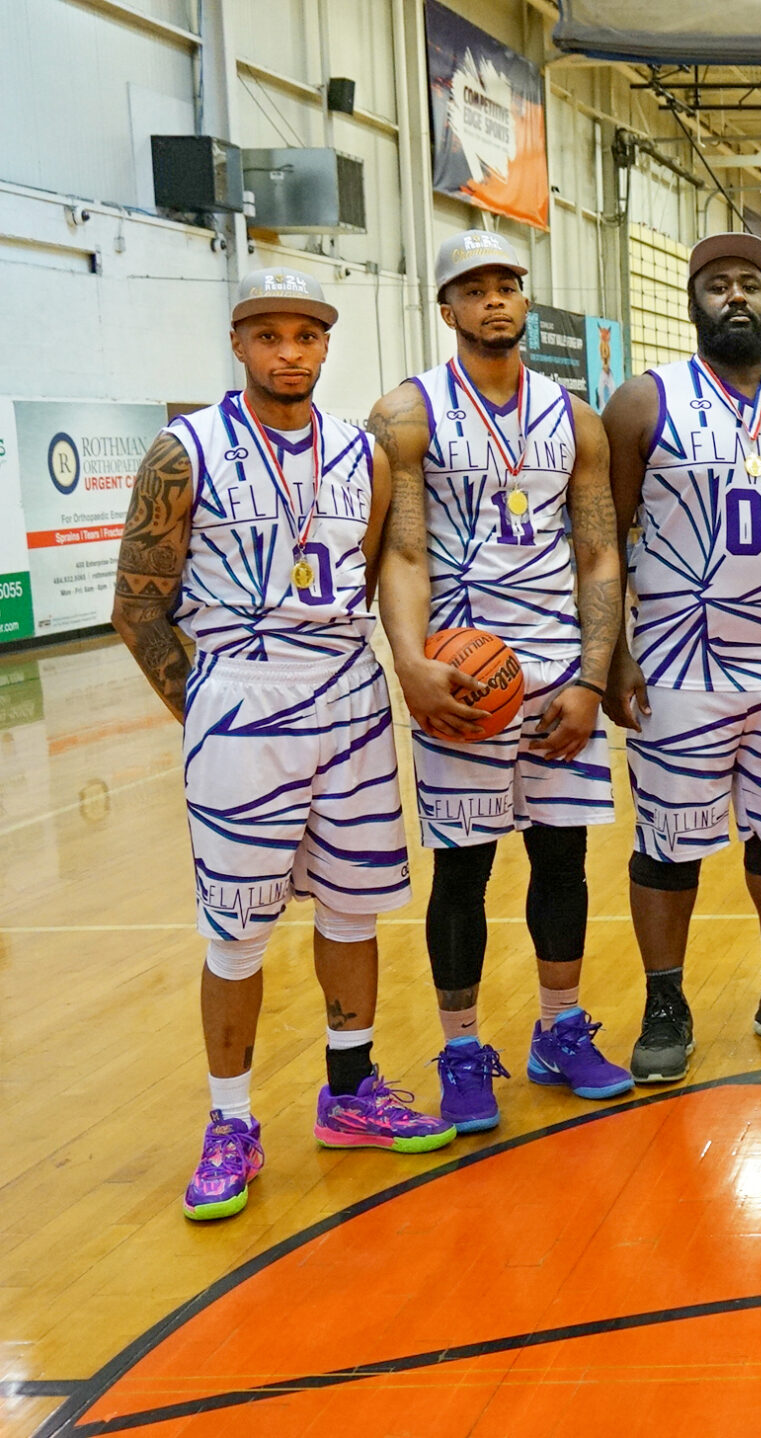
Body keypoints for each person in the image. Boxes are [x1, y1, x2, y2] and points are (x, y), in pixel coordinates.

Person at [114, 270, 453, 1222]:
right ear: (239, 343)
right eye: (269, 335)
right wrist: (215, 708)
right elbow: (137, 604)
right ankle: (231, 1123)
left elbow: (372, 563)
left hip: (347, 695)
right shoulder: (183, 453)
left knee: (354, 911)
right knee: (238, 930)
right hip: (240, 697)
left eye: (306, 335)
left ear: (326, 346)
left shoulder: (364, 454)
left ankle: (350, 1096)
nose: (289, 351)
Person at [370, 232, 630, 1131]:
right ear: (445, 307)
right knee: (464, 871)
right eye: (473, 289)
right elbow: (399, 553)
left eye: (507, 286)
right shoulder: (408, 414)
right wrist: (413, 666)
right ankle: (460, 1049)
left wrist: (592, 678)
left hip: (557, 670)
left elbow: (599, 552)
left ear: (524, 301)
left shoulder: (576, 418)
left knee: (563, 858)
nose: (494, 302)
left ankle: (559, 1029)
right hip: (461, 680)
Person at [602, 233, 761, 1082]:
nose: (736, 298)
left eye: (750, 283)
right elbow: (601, 538)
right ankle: (664, 1001)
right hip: (680, 655)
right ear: (693, 303)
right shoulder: (645, 401)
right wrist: (610, 656)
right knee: (669, 844)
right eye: (718, 285)